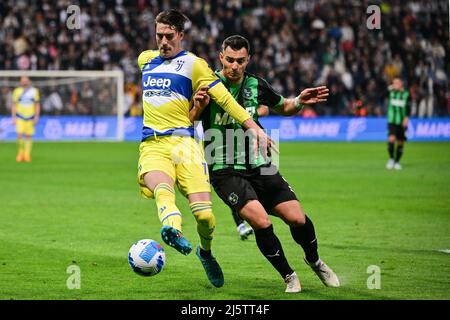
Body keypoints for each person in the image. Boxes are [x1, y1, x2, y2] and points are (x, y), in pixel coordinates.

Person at [190, 35, 340, 293]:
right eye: (229, 60)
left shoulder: (255, 85)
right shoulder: (208, 86)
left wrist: (300, 101)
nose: (234, 66)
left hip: (260, 164)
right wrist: (197, 106)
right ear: (220, 58)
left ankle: (314, 260)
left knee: (297, 217)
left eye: (240, 61)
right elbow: (187, 120)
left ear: (248, 60)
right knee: (261, 221)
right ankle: (289, 276)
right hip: (224, 170)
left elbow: (284, 107)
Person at [136, 10, 269, 288]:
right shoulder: (145, 60)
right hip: (153, 145)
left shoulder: (194, 65)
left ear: (181, 36)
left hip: (186, 146)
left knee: (205, 216)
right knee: (163, 189)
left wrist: (252, 127)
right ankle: (172, 231)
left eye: (169, 36)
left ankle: (205, 253)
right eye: (159, 35)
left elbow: (225, 99)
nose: (163, 41)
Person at [232, 105, 269, 240]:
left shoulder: (251, 88)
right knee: (236, 187)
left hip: (253, 143)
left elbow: (265, 109)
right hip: (230, 144)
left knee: (254, 189)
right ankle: (241, 225)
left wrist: (244, 117)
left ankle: (255, 219)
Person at [11, 76, 40, 162]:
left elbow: (37, 104)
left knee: (28, 135)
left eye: (26, 81)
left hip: (30, 116)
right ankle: (20, 153)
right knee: (19, 134)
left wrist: (37, 116)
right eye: (23, 81)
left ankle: (27, 154)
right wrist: (13, 117)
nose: (24, 82)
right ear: (20, 82)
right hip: (20, 116)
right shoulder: (17, 91)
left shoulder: (34, 91)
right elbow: (14, 105)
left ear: (29, 81)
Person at [386, 77, 411, 170]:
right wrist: (389, 87)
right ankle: (391, 159)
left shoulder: (406, 94)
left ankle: (397, 162)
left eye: (397, 83)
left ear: (401, 84)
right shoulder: (390, 92)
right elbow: (380, 96)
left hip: (401, 122)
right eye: (394, 83)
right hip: (392, 121)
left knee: (400, 142)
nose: (395, 84)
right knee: (391, 139)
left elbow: (409, 107)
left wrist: (407, 118)